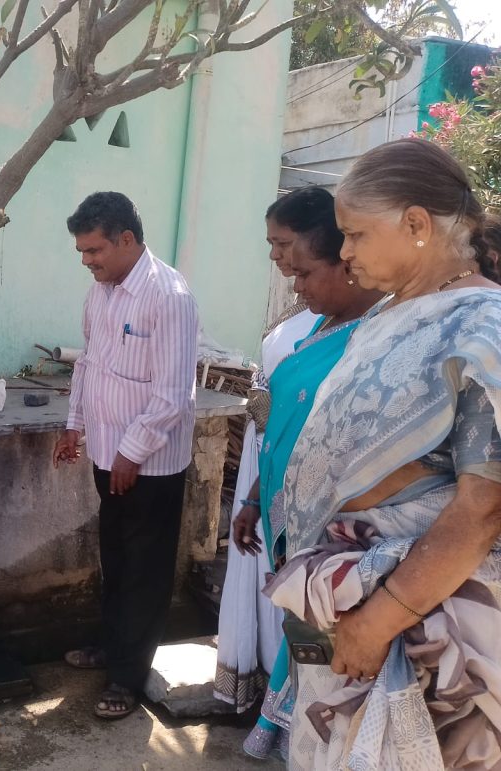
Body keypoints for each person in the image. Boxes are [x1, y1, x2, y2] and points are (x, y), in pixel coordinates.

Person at [265, 137, 501, 769]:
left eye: (356, 235)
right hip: (347, 609)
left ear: (417, 225)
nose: (344, 252)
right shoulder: (385, 317)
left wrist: (379, 621)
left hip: (426, 629)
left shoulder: (483, 328)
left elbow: (484, 506)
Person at [223, 191, 383, 760]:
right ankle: (289, 720)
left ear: (347, 264)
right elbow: (282, 432)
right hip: (284, 513)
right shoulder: (318, 326)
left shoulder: (375, 338)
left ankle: (307, 733)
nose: (294, 285)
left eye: (304, 272)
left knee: (327, 639)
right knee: (301, 627)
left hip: (334, 526)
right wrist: (253, 499)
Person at [53, 191, 199, 720]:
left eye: (94, 250)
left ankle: (127, 678)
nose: (87, 261)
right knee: (114, 558)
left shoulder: (169, 295)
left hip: (150, 464)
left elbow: (174, 394)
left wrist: (132, 453)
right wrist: (74, 424)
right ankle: (112, 647)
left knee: (145, 569)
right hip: (106, 454)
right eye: (82, 252)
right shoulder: (102, 292)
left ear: (127, 240)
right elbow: (89, 363)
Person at [214, 188, 324, 716]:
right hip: (267, 462)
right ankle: (257, 686)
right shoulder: (305, 306)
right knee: (262, 574)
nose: (276, 257)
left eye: (283, 243)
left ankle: (293, 709)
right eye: (271, 245)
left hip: (305, 474)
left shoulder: (346, 316)